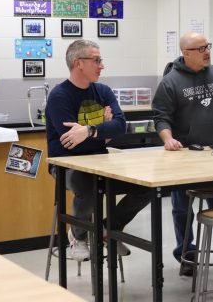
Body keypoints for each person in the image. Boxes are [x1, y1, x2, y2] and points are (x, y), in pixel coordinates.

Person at [152, 32, 213, 277]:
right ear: (185, 53)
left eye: (207, 46)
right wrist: (168, 139)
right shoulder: (170, 82)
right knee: (182, 210)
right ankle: (187, 255)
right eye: (200, 48)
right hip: (184, 156)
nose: (206, 51)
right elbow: (161, 117)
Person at [46, 40, 151, 262]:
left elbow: (121, 125)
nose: (101, 65)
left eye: (100, 60)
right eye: (96, 60)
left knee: (146, 187)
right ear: (78, 63)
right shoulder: (59, 96)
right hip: (67, 166)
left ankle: (108, 229)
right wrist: (104, 130)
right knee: (87, 183)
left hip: (100, 163)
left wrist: (91, 130)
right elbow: (70, 143)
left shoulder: (103, 91)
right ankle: (78, 235)